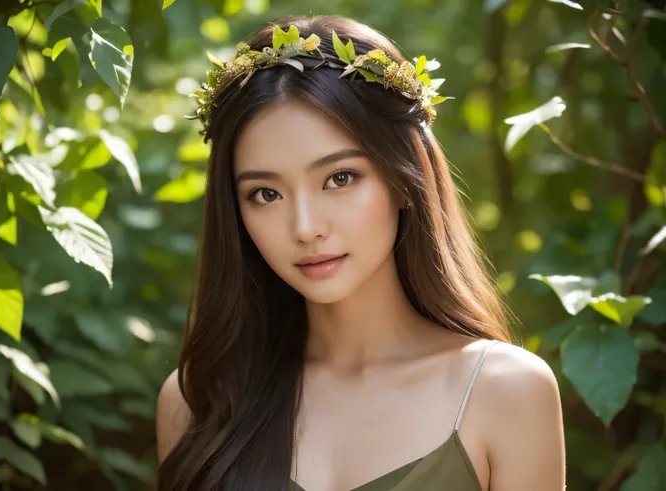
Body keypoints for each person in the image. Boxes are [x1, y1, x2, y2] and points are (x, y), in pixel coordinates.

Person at [156, 14, 565, 491]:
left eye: (340, 178)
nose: (306, 228)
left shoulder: (503, 391)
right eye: (266, 194)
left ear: (405, 178)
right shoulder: (196, 402)